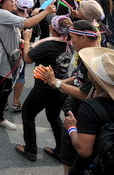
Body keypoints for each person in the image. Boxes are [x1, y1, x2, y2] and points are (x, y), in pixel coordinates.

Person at [34, 20, 102, 172]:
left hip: (81, 117)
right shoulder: (87, 53)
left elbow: (84, 94)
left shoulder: (93, 60)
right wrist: (59, 81)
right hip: (80, 112)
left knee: (72, 158)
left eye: (72, 37)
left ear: (83, 38)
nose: (70, 42)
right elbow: (78, 78)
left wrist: (56, 83)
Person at [0, 0, 55, 131]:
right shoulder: (1, 14)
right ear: (0, 3)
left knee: (5, 91)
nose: (13, 1)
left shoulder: (6, 14)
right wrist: (47, 12)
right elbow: (27, 23)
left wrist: (22, 41)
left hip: (8, 60)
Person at [16, 15, 73, 162]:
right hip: (62, 86)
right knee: (54, 117)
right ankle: (61, 151)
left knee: (28, 114)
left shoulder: (49, 45)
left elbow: (27, 58)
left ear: (51, 28)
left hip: (45, 87)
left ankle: (31, 150)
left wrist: (27, 39)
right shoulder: (69, 43)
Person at [63, 47, 114, 174]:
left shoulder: (90, 107)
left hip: (95, 166)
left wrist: (71, 127)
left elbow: (84, 150)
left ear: (94, 78)